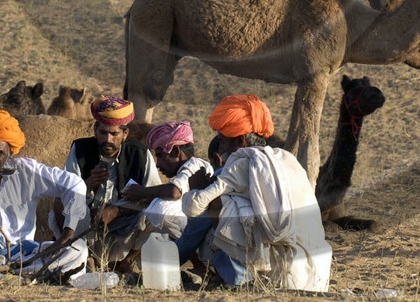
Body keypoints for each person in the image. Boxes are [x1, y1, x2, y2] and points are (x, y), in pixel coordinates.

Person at [180, 94, 331, 291]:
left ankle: (240, 281)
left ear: (240, 140)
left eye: (223, 140)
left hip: (281, 277)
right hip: (316, 273)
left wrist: (199, 187)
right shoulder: (287, 159)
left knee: (219, 209)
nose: (221, 147)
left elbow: (192, 208)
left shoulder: (241, 162)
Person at [0, 107, 89, 281]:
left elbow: (74, 184)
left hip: (27, 254)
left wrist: (68, 233)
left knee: (78, 248)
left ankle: (9, 274)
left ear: (9, 155)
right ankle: (28, 274)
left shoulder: (26, 171)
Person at [62, 97, 159, 266]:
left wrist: (118, 211)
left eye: (114, 134)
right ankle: (84, 259)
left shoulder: (140, 154)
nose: (108, 140)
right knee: (62, 209)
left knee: (159, 214)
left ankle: (126, 263)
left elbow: (154, 195)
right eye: (103, 133)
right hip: (87, 224)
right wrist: (88, 184)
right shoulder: (80, 150)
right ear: (95, 130)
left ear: (125, 133)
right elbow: (65, 193)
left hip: (124, 223)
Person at [122, 121, 216, 265]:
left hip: (206, 229)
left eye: (159, 156)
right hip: (200, 226)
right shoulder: (189, 168)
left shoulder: (194, 165)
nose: (158, 164)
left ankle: (199, 267)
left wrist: (141, 192)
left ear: (176, 152)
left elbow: (174, 192)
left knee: (162, 210)